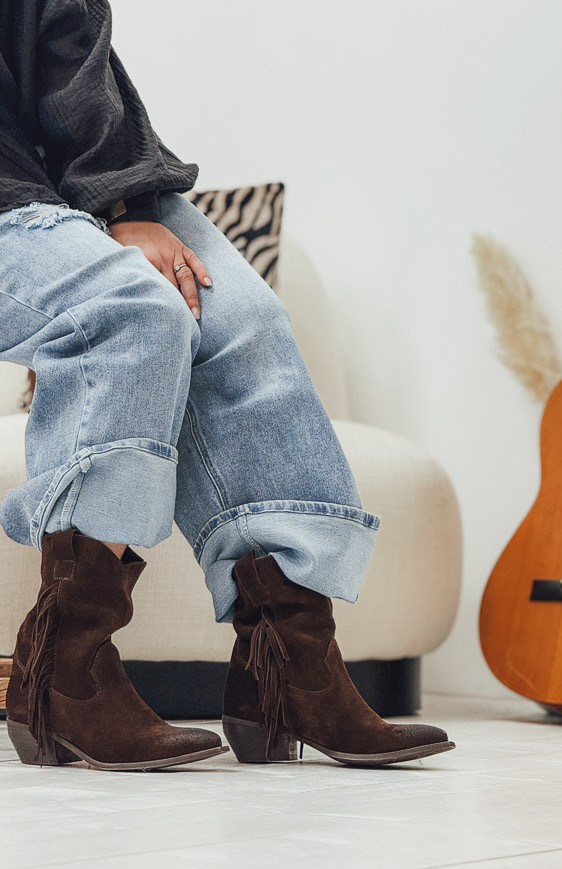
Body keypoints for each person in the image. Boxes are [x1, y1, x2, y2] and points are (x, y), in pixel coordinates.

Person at [0, 0, 455, 771]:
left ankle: (289, 667)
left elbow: (73, 51)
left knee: (241, 317)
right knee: (134, 310)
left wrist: (123, 201)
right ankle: (64, 670)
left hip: (55, 183)